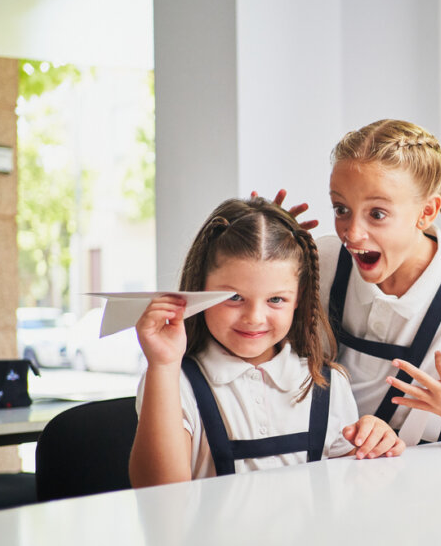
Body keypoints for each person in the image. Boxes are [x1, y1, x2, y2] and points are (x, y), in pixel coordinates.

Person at [128, 198, 404, 487]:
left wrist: (373, 443)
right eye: (234, 297)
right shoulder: (172, 380)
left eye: (276, 299)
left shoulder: (329, 384)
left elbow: (347, 492)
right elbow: (158, 495)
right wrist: (162, 365)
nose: (254, 318)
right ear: (200, 289)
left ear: (298, 298)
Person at [309, 119, 441, 446]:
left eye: (377, 214)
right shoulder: (325, 259)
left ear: (426, 212)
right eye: (341, 209)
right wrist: (272, 248)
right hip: (323, 462)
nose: (352, 233)